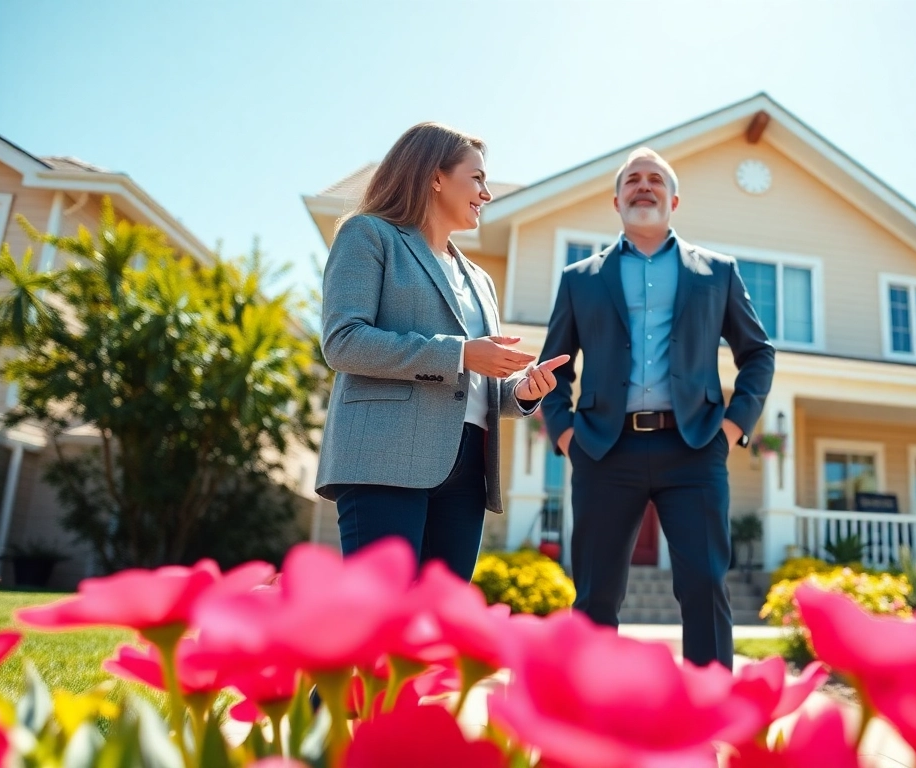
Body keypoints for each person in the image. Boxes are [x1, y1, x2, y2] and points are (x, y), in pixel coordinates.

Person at [538, 147, 775, 668]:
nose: (643, 186)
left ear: (674, 199)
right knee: (595, 596)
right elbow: (554, 365)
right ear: (616, 200)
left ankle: (707, 724)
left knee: (704, 589)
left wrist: (734, 427)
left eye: (655, 180)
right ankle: (588, 731)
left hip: (694, 450)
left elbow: (757, 354)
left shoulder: (718, 272)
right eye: (632, 180)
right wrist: (564, 433)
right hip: (603, 450)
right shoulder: (580, 278)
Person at [316, 122, 568, 580]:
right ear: (435, 177)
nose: (486, 194)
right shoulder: (369, 235)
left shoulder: (481, 280)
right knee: (384, 623)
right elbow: (343, 342)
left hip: (468, 468)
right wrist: (460, 354)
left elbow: (477, 382)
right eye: (477, 178)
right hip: (384, 459)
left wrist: (523, 392)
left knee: (438, 630)